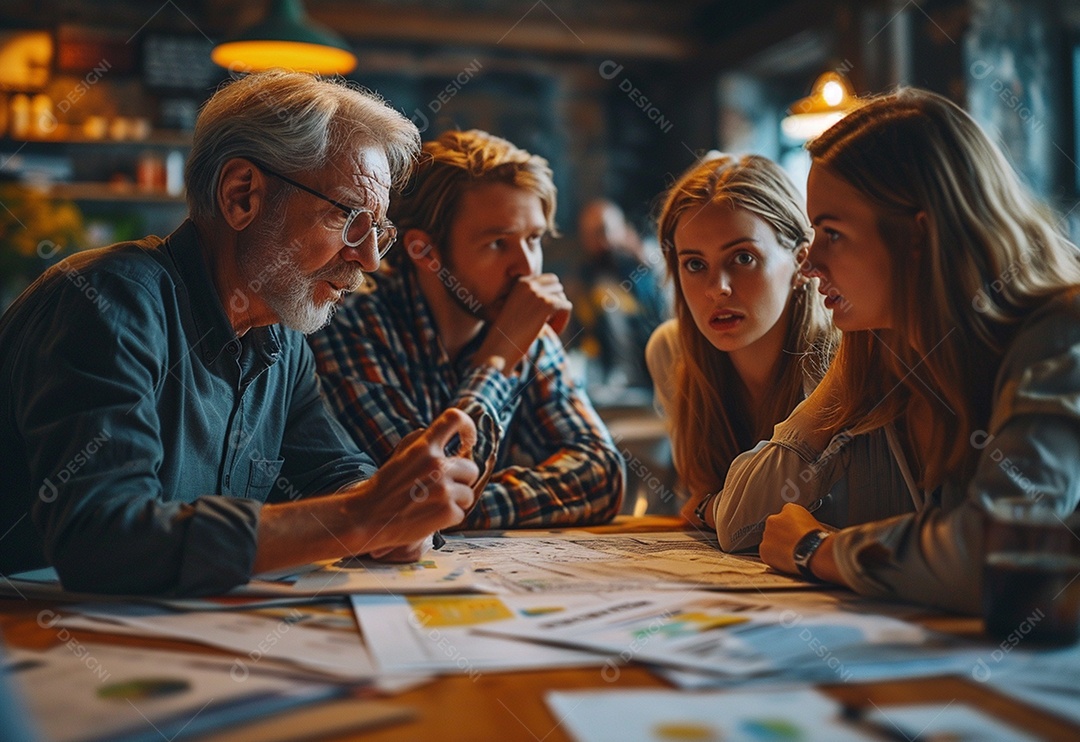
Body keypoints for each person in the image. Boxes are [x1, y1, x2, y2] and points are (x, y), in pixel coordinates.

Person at [0, 71, 481, 596]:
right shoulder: (108, 302)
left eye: (378, 232)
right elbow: (103, 539)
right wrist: (361, 517)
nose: (367, 259)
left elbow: (333, 472)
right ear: (241, 195)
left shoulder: (282, 339)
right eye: (348, 219)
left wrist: (395, 512)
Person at [713, 88, 1080, 614]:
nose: (809, 261)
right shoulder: (905, 351)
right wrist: (850, 369)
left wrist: (817, 548)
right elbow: (741, 525)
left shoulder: (1063, 335)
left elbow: (999, 551)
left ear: (920, 236)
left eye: (832, 233)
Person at [309, 130, 624, 528]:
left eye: (534, 239)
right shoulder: (353, 323)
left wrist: (464, 505)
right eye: (498, 244)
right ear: (425, 251)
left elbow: (603, 476)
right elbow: (422, 489)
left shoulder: (517, 315)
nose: (527, 269)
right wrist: (498, 358)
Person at [646, 154, 836, 523]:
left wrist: (709, 508)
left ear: (800, 262)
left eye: (743, 258)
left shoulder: (838, 358)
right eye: (695, 264)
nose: (717, 289)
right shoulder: (672, 351)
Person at [573, 198, 669, 393]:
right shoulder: (587, 279)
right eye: (591, 235)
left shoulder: (649, 267)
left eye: (604, 231)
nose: (600, 243)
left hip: (654, 376)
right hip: (609, 384)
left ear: (623, 230)